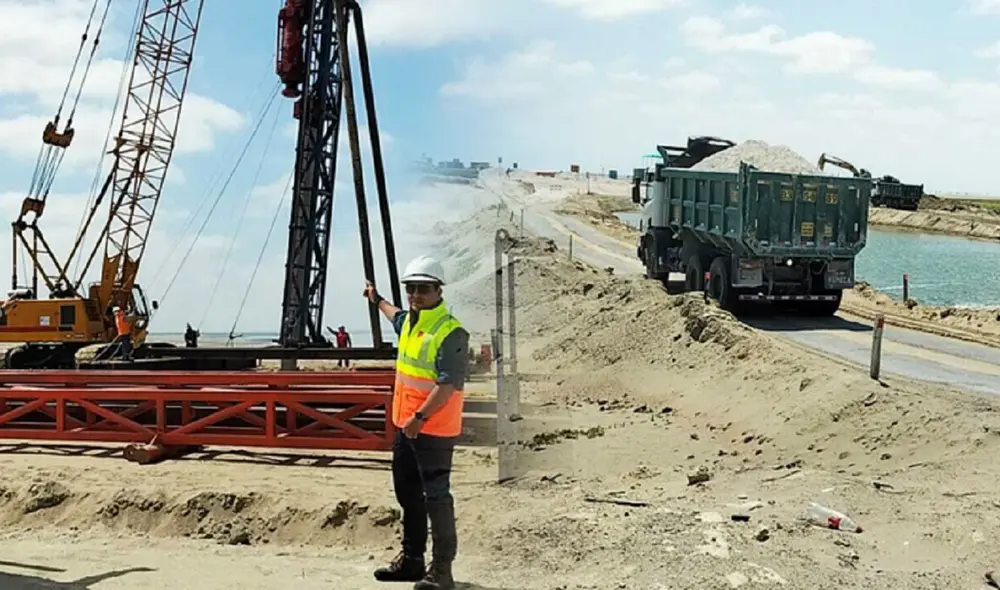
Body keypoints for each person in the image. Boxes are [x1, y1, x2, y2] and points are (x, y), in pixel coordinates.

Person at [364, 255, 468, 590]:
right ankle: (412, 561)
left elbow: (448, 383)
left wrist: (419, 417)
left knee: (437, 498)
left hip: (433, 430)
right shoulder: (410, 321)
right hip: (405, 428)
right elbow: (394, 315)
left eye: (423, 288)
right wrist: (377, 298)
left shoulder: (451, 332)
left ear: (439, 290)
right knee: (408, 494)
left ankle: (442, 572)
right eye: (411, 288)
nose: (415, 294)